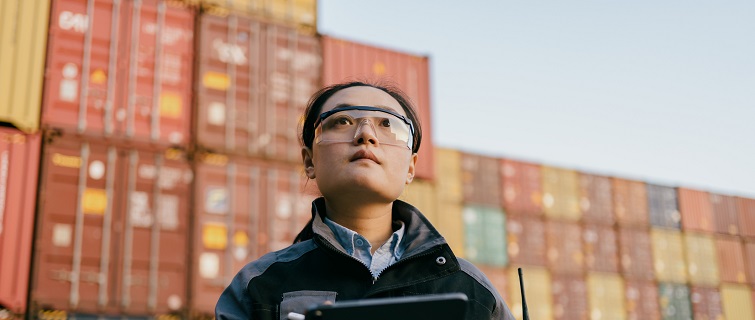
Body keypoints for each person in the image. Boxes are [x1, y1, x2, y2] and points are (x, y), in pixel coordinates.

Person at [215, 81, 515, 320]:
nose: (366, 134)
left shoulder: (470, 287)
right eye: (342, 121)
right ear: (310, 161)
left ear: (410, 167)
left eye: (388, 124)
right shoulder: (258, 286)